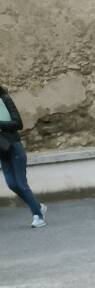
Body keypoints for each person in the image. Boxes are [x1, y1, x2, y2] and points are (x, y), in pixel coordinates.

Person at [0, 83, 45, 227]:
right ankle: (38, 206)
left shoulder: (5, 99)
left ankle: (38, 216)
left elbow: (18, 123)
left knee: (21, 183)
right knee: (12, 184)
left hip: (13, 146)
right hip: (1, 150)